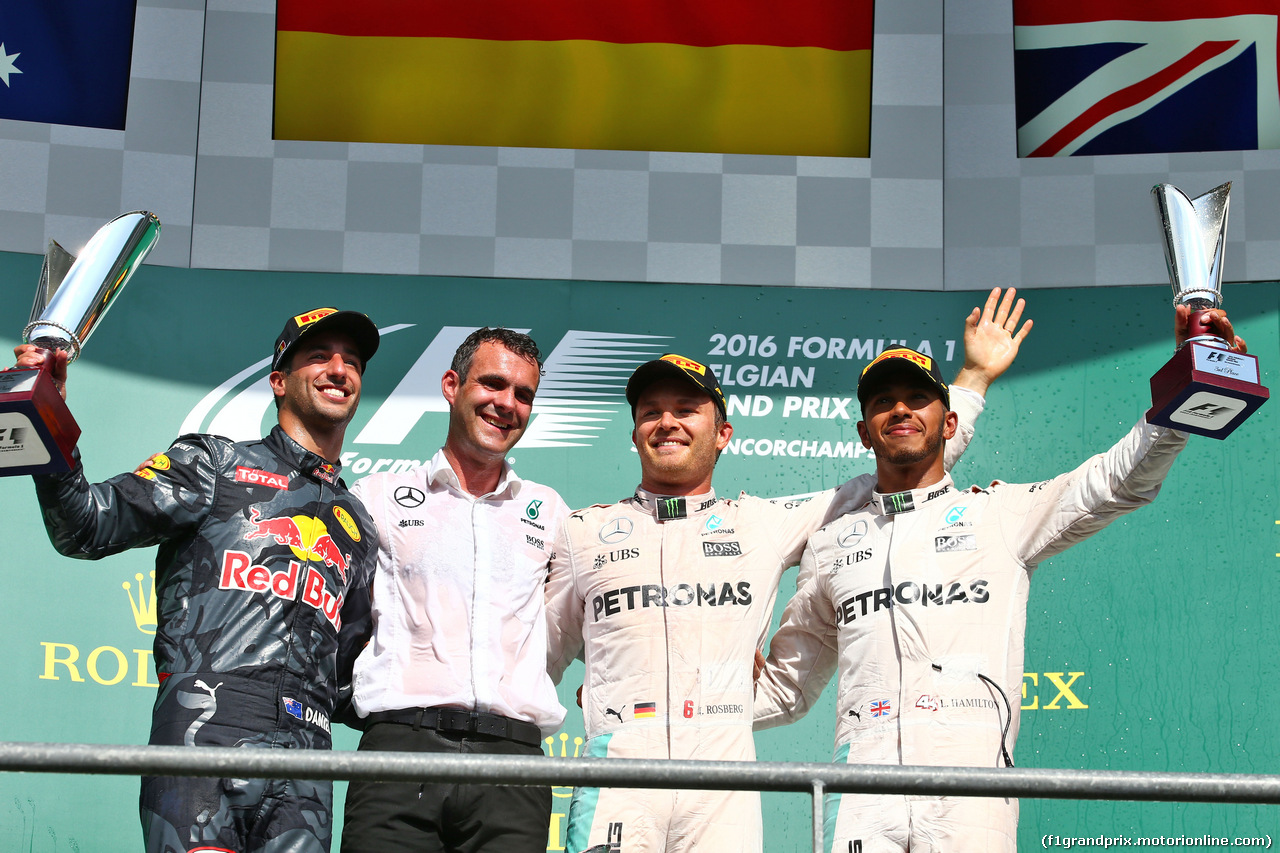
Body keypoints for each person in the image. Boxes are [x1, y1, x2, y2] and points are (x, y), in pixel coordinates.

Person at [543, 289, 1033, 853]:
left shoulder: (764, 523)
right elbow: (537, 661)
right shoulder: (579, 532)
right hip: (617, 773)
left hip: (722, 785)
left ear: (722, 433)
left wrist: (971, 382)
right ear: (633, 434)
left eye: (685, 410)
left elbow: (906, 469)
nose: (667, 422)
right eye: (650, 412)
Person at [752, 305, 1245, 853]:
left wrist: (1186, 392)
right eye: (882, 403)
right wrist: (662, 705)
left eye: (917, 398)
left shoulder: (1001, 516)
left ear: (951, 421)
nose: (899, 410)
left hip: (973, 777)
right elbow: (786, 690)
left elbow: (1116, 483)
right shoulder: (829, 544)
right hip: (860, 781)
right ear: (865, 433)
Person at [16, 306, 381, 853]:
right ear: (279, 380)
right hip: (203, 733)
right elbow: (85, 526)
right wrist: (45, 411)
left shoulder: (361, 527)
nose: (339, 369)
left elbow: (353, 683)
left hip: (308, 763)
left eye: (351, 362)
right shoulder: (214, 465)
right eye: (319, 357)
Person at [340, 327, 569, 853]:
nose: (507, 404)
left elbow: (590, 617)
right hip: (399, 753)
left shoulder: (551, 511)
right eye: (492, 384)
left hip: (512, 764)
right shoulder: (376, 498)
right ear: (451, 385)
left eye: (523, 394)